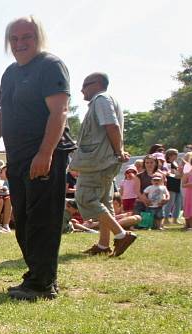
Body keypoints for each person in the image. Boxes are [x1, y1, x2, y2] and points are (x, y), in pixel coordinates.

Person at [0, 16, 74, 301]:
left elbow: (60, 112)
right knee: (24, 218)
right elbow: (4, 112)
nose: (20, 43)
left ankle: (44, 283)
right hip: (18, 156)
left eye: (27, 37)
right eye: (15, 39)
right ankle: (35, 276)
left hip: (45, 154)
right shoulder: (10, 74)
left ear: (38, 38)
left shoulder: (50, 66)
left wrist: (45, 153)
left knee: (43, 218)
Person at [69, 72, 136, 257]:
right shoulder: (105, 100)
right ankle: (103, 244)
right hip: (104, 160)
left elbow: (111, 125)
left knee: (86, 198)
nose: (82, 90)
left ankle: (122, 235)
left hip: (98, 161)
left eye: (85, 85)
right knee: (104, 201)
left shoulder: (101, 99)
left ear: (96, 84)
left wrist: (119, 151)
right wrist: (118, 151)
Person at [163, 148, 182, 225]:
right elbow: (169, 174)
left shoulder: (175, 163)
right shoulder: (166, 163)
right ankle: (166, 219)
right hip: (171, 184)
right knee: (170, 203)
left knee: (178, 203)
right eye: (175, 154)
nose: (176, 156)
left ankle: (175, 219)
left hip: (177, 183)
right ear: (170, 155)